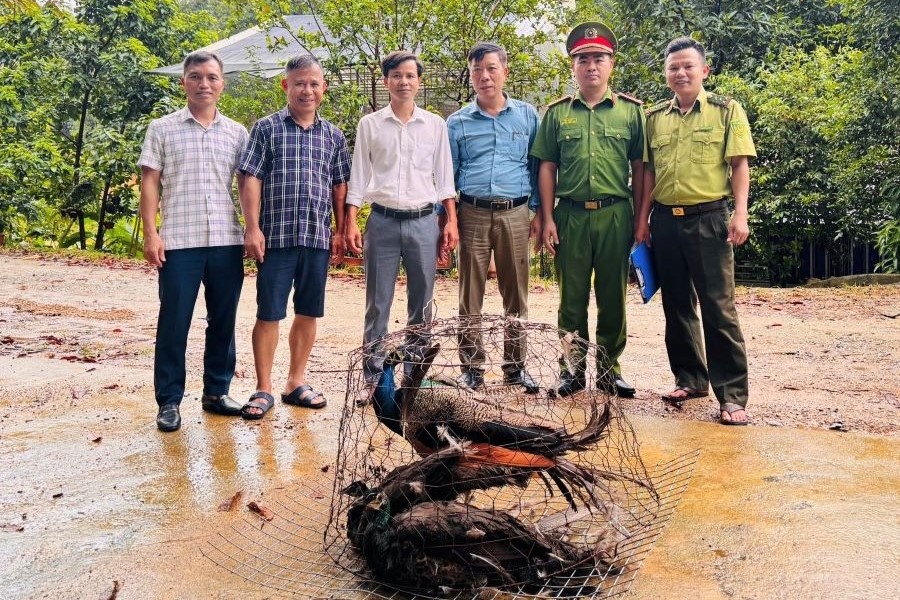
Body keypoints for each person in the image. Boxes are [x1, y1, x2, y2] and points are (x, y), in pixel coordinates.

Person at [636, 37, 755, 425]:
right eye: (673, 67)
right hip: (666, 220)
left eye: (688, 66)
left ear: (704, 70)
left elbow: (739, 165)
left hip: (710, 218)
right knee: (676, 303)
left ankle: (732, 395)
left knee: (718, 306)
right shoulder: (654, 118)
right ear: (666, 73)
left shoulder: (726, 110)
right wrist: (643, 221)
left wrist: (741, 214)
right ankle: (689, 378)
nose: (680, 73)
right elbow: (648, 172)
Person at [531, 22, 645, 398]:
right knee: (572, 297)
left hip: (616, 213)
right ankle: (572, 370)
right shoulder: (557, 114)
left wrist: (641, 219)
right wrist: (547, 218)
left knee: (613, 294)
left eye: (599, 58)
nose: (591, 66)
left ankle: (611, 369)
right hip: (571, 216)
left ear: (611, 64)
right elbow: (546, 167)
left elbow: (642, 169)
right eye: (583, 59)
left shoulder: (631, 113)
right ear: (573, 66)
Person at [138, 51, 249, 432]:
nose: (204, 84)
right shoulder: (162, 128)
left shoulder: (237, 132)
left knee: (223, 319)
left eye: (212, 77)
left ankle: (217, 392)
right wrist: (152, 232)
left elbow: (247, 185)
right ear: (183, 82)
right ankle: (169, 401)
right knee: (174, 321)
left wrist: (253, 228)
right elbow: (150, 181)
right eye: (196, 76)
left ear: (222, 84)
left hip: (225, 240)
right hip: (178, 242)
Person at [238, 55, 351, 419]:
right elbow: (250, 177)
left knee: (308, 311)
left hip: (316, 237)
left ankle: (295, 382)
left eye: (314, 83)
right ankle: (264, 388)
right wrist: (252, 228)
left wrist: (341, 228)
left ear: (324, 89)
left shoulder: (333, 135)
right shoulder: (266, 128)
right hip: (276, 237)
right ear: (286, 86)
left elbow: (340, 185)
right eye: (300, 83)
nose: (307, 90)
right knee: (269, 312)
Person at [345, 50, 459, 395]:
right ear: (386, 82)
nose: (404, 82)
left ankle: (414, 373)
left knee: (421, 301)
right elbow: (359, 178)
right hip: (381, 221)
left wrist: (450, 220)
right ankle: (373, 374)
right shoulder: (370, 125)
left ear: (419, 82)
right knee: (378, 301)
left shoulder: (435, 124)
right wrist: (351, 220)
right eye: (397, 76)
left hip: (424, 222)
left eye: (410, 76)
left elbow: (445, 178)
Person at [446, 42, 541, 393]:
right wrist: (450, 220)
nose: (484, 76)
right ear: (470, 76)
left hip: (515, 212)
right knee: (469, 295)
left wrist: (537, 213)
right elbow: (448, 176)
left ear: (505, 71)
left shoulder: (528, 116)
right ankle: (472, 368)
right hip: (471, 212)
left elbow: (537, 167)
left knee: (516, 294)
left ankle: (515, 369)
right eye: (476, 70)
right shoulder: (456, 122)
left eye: (490, 68)